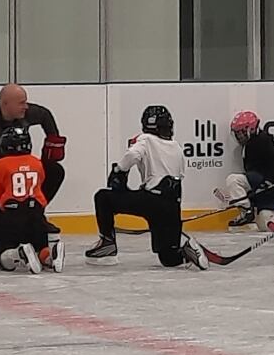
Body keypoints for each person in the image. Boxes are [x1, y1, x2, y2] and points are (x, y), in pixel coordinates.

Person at [85, 105, 208, 270]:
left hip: (151, 200)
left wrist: (119, 170)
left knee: (103, 197)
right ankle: (187, 250)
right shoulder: (177, 147)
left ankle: (107, 243)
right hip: (172, 205)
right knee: (169, 258)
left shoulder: (145, 139)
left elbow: (132, 155)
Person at [0, 83, 67, 242]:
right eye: (21, 103)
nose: (26, 107)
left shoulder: (25, 113)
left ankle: (35, 216)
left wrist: (53, 139)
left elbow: (45, 115)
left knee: (55, 171)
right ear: (5, 104)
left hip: (21, 170)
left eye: (26, 102)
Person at [0, 126, 64, 274]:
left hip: (12, 214)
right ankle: (51, 258)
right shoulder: (36, 162)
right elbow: (40, 182)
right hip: (36, 213)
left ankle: (18, 254)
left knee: (2, 258)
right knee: (41, 246)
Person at [222, 110, 274, 231]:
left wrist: (265, 184)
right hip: (261, 189)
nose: (238, 136)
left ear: (249, 129)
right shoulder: (249, 145)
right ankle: (248, 211)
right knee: (263, 224)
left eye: (239, 132)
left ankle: (247, 210)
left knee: (233, 180)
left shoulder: (263, 140)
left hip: (269, 192)